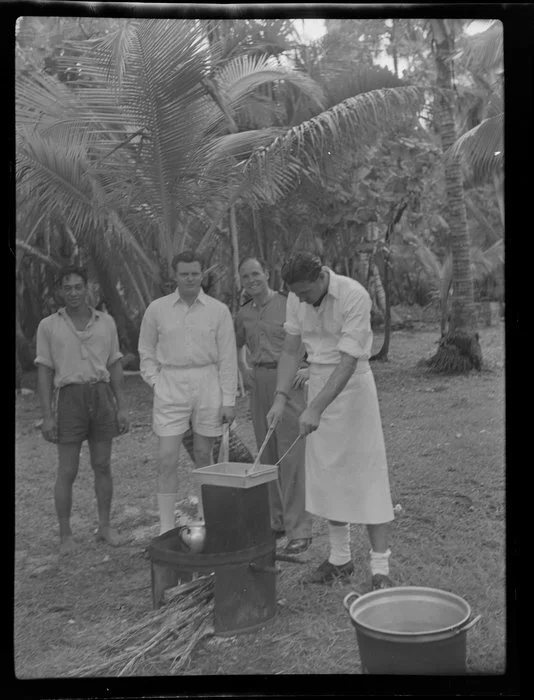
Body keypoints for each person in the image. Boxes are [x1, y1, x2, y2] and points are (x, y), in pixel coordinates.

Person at [266, 251, 394, 589]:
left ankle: (380, 568)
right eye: (296, 294)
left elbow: (349, 361)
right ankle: (340, 558)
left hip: (353, 389)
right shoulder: (297, 298)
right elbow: (292, 351)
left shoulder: (354, 295)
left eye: (306, 292)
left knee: (368, 475)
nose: (302, 299)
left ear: (323, 276)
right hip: (318, 383)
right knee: (328, 476)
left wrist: (316, 408)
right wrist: (280, 398)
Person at [138, 251, 237, 534]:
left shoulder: (218, 310)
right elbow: (145, 350)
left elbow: (228, 357)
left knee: (204, 455)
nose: (190, 278)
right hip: (171, 384)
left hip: (208, 383)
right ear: (174, 275)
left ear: (202, 273)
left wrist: (228, 400)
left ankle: (208, 521)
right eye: (184, 273)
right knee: (166, 458)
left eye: (195, 273)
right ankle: (167, 528)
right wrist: (157, 382)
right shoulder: (157, 309)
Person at [35, 265, 129, 556]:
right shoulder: (48, 326)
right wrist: (48, 416)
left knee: (102, 464)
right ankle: (65, 534)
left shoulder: (106, 322)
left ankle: (104, 525)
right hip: (69, 398)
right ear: (60, 291)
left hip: (100, 396)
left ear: (87, 288)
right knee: (67, 470)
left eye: (78, 286)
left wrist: (121, 407)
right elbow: (44, 372)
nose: (73, 292)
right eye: (68, 287)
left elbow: (114, 365)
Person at [235, 257, 313, 556]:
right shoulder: (243, 314)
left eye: (256, 273)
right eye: (245, 276)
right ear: (241, 281)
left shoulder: (289, 303)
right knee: (266, 455)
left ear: (266, 274)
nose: (252, 279)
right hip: (260, 383)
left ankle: (300, 530)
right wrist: (243, 370)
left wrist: (310, 367)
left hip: (289, 383)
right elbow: (238, 343)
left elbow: (310, 338)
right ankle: (276, 520)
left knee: (291, 455)